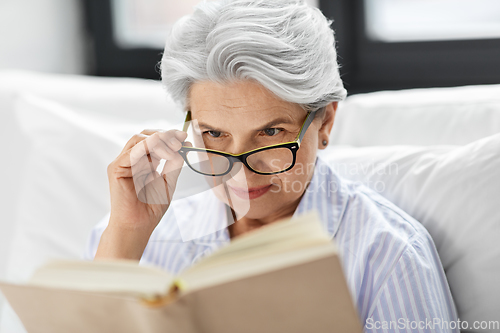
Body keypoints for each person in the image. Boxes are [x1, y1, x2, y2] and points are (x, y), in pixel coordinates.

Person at [84, 0, 458, 331]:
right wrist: (126, 235)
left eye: (270, 132)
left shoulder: (389, 256)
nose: (240, 172)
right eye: (214, 134)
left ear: (325, 122)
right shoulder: (130, 238)